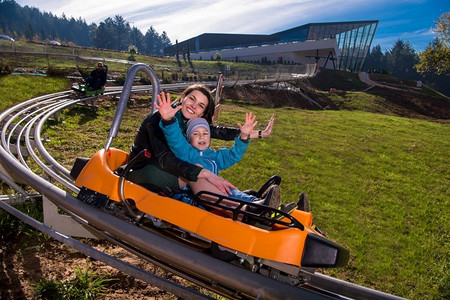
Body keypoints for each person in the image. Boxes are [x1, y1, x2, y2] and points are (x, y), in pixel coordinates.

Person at [127, 84, 279, 213]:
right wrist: (202, 172)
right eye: (192, 99)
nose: (194, 106)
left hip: (169, 171)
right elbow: (164, 159)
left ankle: (248, 204)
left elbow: (218, 132)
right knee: (196, 171)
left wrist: (255, 134)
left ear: (203, 112)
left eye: (200, 105)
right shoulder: (159, 118)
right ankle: (245, 209)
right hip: (143, 170)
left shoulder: (189, 122)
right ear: (183, 97)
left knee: (198, 170)